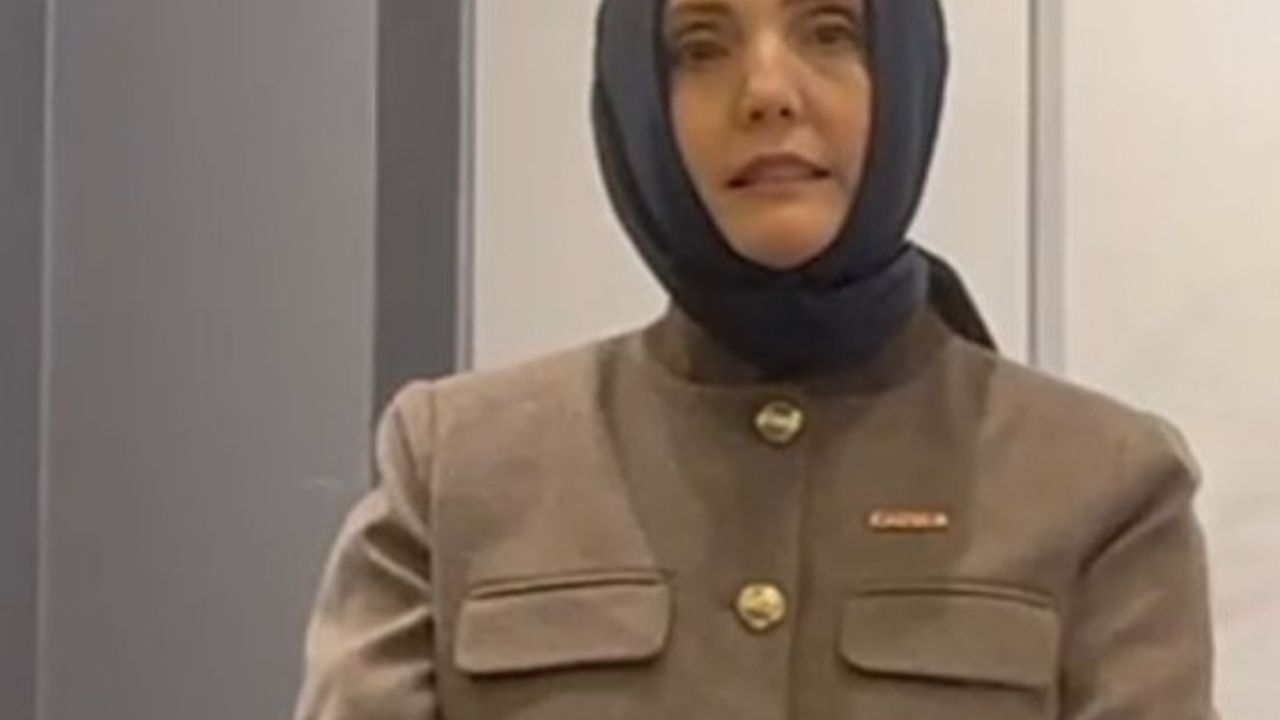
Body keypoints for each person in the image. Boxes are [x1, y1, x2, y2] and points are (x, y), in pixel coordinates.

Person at [293, 0, 1217, 717]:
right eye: (701, 47)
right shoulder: (458, 468)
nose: (767, 90)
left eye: (829, 32)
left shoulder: (1104, 488)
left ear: (905, 74)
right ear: (640, 102)